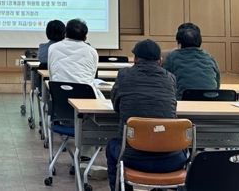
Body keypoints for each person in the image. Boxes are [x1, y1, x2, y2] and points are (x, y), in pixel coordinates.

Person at [106, 39, 186, 191]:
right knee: (183, 149)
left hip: (133, 158)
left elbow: (117, 106)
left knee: (112, 146)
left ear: (135, 59)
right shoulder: (170, 78)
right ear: (160, 61)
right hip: (171, 159)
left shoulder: (124, 75)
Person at [163, 24, 220, 100]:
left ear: (179, 44)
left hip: (184, 101)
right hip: (211, 101)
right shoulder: (210, 57)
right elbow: (217, 83)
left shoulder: (171, 56)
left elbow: (165, 82)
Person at [47, 18, 98, 87]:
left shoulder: (53, 48)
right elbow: (92, 77)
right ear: (85, 37)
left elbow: (51, 75)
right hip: (84, 92)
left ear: (65, 34)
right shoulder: (92, 51)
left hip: (59, 91)